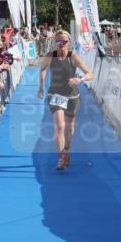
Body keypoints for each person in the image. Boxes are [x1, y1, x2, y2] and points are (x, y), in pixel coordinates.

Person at [36, 30, 94, 171]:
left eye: (64, 42)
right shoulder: (51, 56)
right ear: (55, 43)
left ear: (69, 43)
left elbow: (89, 74)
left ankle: (66, 150)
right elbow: (43, 69)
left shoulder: (73, 56)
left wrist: (79, 79)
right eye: (58, 42)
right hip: (55, 94)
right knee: (60, 127)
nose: (61, 44)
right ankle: (61, 158)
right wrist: (41, 86)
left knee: (69, 128)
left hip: (72, 96)